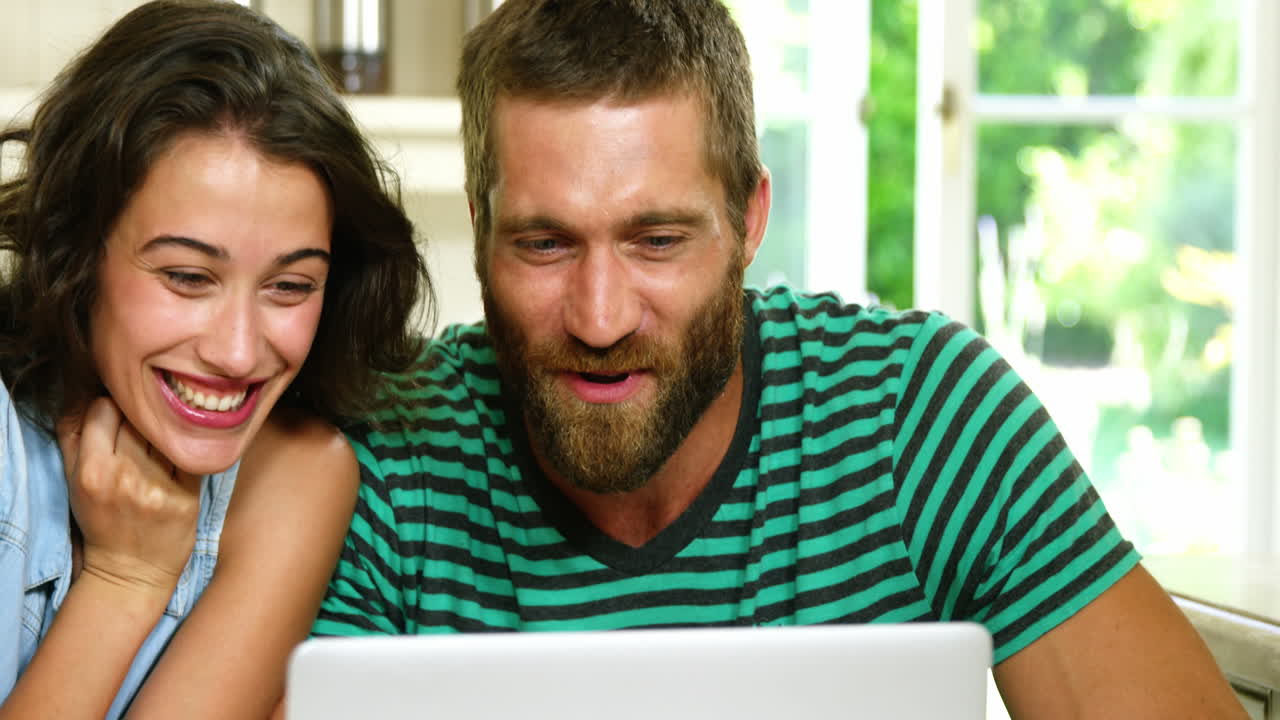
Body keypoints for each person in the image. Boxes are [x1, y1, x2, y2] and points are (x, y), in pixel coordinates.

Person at [313, 0, 1245, 716]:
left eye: (658, 240)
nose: (599, 319)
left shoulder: (918, 417)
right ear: (480, 234)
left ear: (749, 220)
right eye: (545, 244)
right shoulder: (386, 460)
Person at [0, 1, 428, 718]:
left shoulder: (297, 477)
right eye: (187, 278)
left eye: (291, 287)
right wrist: (123, 579)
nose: (237, 352)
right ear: (78, 255)